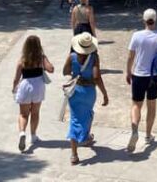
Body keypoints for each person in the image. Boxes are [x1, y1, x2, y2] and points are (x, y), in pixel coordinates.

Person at [125, 8, 157, 152]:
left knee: (136, 105)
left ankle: (134, 130)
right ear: (155, 20)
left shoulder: (136, 35)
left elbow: (131, 56)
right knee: (151, 105)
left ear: (143, 20)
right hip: (155, 76)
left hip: (139, 74)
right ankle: (148, 135)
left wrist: (128, 71)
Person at [63, 32, 109, 166]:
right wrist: (105, 93)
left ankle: (74, 154)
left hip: (75, 91)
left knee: (74, 118)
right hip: (89, 91)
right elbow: (96, 76)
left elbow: (65, 71)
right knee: (88, 113)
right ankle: (86, 137)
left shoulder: (72, 56)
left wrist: (75, 71)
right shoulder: (94, 57)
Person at [12, 35, 55, 152]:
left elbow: (16, 78)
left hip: (25, 85)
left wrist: (14, 88)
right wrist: (45, 65)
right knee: (35, 112)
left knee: (23, 114)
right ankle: (33, 136)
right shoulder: (41, 58)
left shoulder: (22, 60)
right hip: (38, 86)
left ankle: (22, 133)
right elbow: (51, 69)